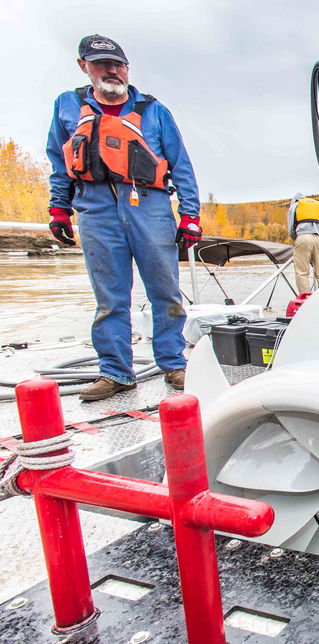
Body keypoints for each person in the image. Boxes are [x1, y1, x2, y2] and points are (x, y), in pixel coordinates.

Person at [46, 35, 201, 401]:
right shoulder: (67, 106)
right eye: (102, 64)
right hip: (95, 209)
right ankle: (116, 372)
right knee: (110, 297)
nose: (111, 71)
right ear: (85, 66)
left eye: (118, 64)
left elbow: (181, 165)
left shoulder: (154, 110)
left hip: (149, 205)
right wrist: (59, 208)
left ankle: (173, 364)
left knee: (165, 290)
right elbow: (58, 159)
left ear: (127, 69)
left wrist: (190, 215)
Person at [287, 192, 319, 294]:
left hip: (303, 238)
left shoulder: (295, 206)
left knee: (302, 273)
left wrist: (296, 239)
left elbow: (291, 228)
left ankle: (305, 299)